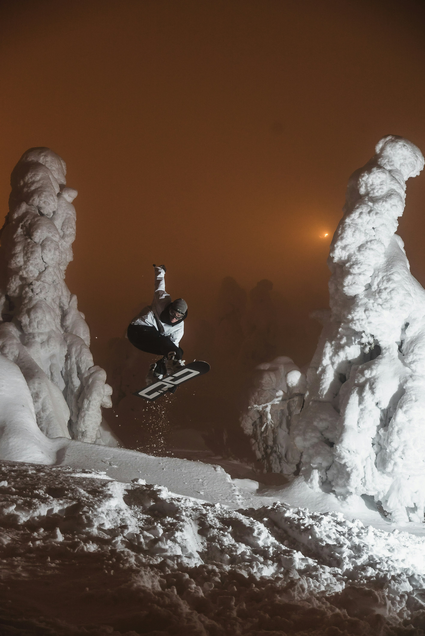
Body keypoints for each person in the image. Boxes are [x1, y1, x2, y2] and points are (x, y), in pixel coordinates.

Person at [127, 264, 188, 383]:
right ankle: (168, 369)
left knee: (178, 351)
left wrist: (174, 380)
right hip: (137, 331)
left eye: (178, 316)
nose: (173, 318)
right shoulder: (162, 300)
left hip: (148, 343)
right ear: (169, 308)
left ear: (182, 317)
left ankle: (156, 372)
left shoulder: (179, 329)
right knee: (169, 346)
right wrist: (160, 271)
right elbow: (159, 286)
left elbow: (171, 349)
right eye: (172, 313)